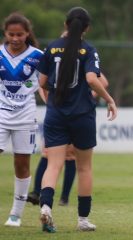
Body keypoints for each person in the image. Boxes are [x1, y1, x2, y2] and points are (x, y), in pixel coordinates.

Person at [37, 7, 117, 233]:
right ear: (87, 28)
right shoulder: (89, 50)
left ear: (65, 24)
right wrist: (109, 99)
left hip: (55, 114)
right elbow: (92, 79)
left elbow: (42, 82)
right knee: (84, 168)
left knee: (53, 165)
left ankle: (45, 207)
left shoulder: (51, 48)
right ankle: (82, 219)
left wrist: (50, 100)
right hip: (82, 115)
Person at [27, 73, 109, 206]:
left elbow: (42, 83)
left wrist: (50, 102)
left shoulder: (59, 57)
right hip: (70, 114)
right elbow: (103, 82)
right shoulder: (84, 57)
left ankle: (41, 193)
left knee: (55, 155)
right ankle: (55, 196)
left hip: (60, 114)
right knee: (60, 156)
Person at [0, 12, 43, 227]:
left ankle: (16, 214)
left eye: (20, 34)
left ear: (27, 33)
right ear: (5, 33)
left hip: (25, 116)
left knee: (22, 163)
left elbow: (45, 84)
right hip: (0, 114)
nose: (15, 38)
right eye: (11, 34)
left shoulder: (38, 56)